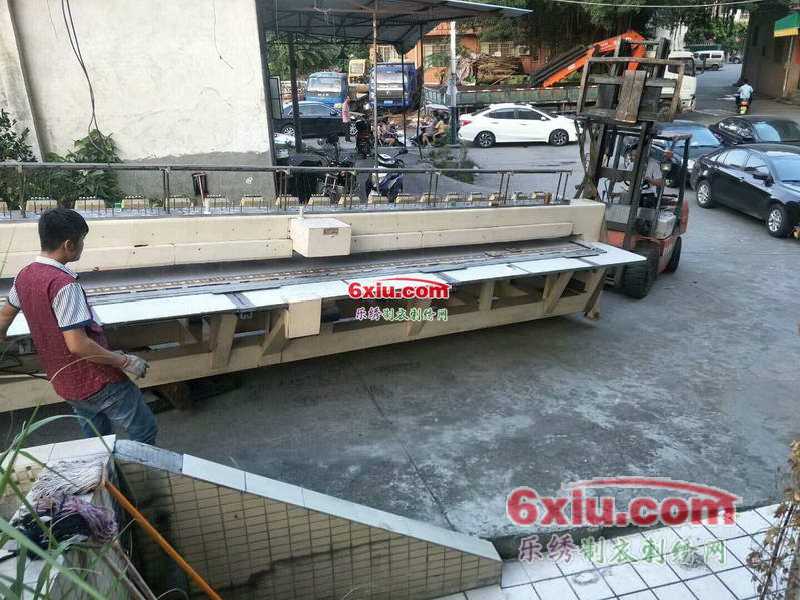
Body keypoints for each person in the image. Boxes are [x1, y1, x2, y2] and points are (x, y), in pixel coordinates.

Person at [0, 208, 157, 444]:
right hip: (97, 380)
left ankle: (103, 467)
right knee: (144, 430)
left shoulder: (24, 275)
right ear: (69, 245)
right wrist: (125, 361)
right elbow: (78, 345)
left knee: (96, 438)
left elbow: (4, 317)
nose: (83, 245)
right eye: (82, 240)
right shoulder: (64, 285)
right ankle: (137, 468)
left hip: (64, 381)